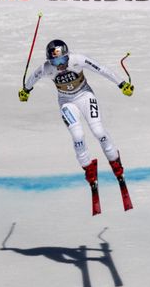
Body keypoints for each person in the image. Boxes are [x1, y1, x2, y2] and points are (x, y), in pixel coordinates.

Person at [19, 38, 135, 212]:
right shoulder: (46, 68)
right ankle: (90, 172)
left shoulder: (78, 59)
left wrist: (121, 83)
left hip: (85, 96)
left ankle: (117, 167)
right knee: (78, 136)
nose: (60, 65)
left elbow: (101, 69)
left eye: (62, 60)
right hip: (66, 102)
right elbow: (32, 78)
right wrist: (26, 90)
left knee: (99, 131)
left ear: (67, 56)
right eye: (55, 62)